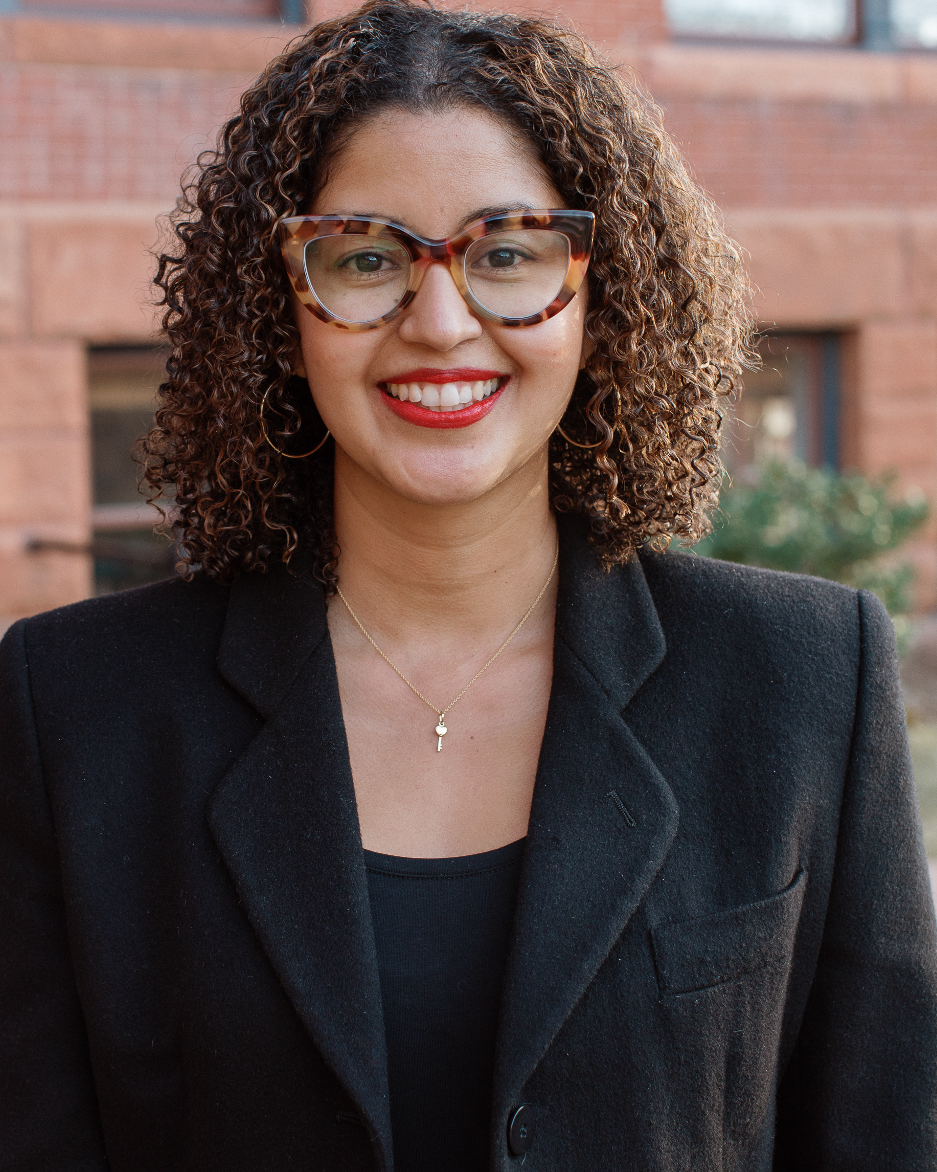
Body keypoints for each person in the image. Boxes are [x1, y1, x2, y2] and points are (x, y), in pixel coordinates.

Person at [1, 1, 935, 1168]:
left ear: (602, 299)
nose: (440, 322)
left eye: (506, 254)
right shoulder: (74, 706)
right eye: (365, 258)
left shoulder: (803, 683)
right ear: (281, 310)